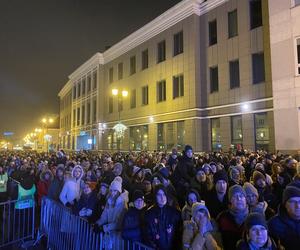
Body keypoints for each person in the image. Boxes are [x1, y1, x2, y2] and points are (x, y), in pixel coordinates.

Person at [144, 184, 182, 250]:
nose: (162, 197)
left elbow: (178, 235)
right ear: (155, 196)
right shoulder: (149, 214)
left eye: (164, 194)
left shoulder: (175, 213)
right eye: (159, 195)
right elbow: (148, 236)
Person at [96, 176, 128, 250]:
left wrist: (103, 228)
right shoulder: (109, 201)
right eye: (112, 190)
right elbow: (104, 215)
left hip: (117, 236)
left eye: (115, 191)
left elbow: (119, 223)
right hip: (108, 234)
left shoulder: (123, 204)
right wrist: (97, 224)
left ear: (119, 191)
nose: (113, 193)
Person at [217, 184, 248, 250]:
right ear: (230, 201)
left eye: (241, 196)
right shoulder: (222, 218)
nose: (239, 199)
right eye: (235, 196)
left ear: (245, 199)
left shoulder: (253, 217)